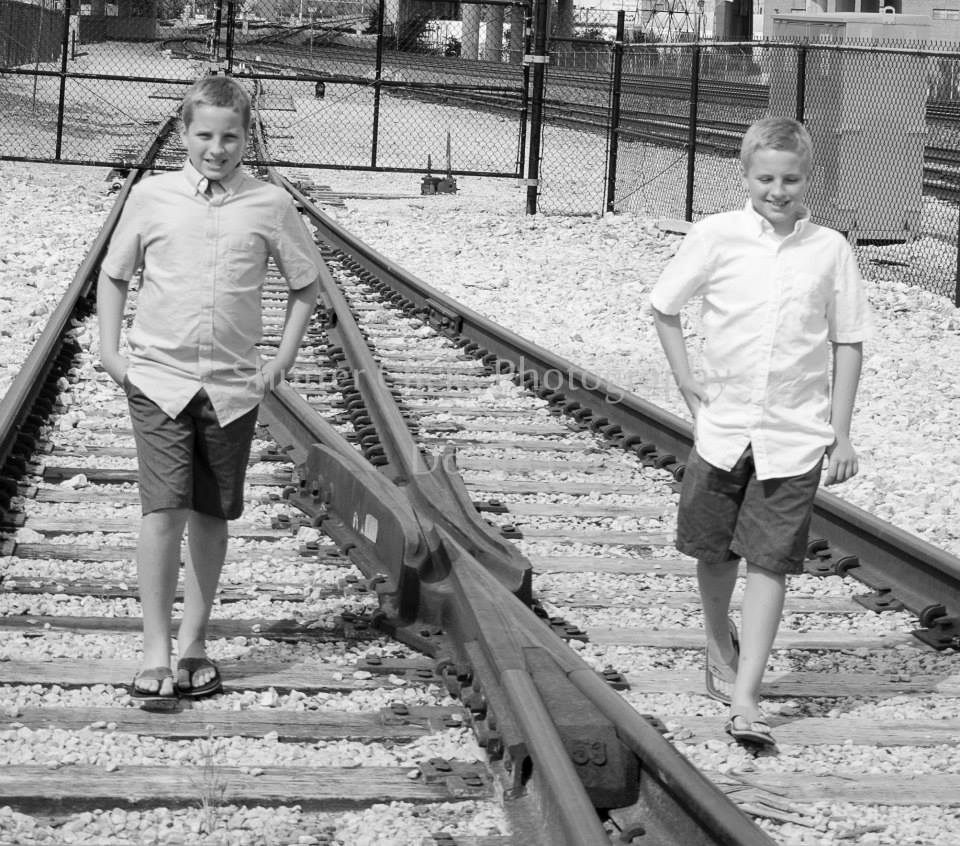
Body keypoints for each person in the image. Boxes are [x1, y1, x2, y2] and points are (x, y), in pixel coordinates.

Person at [97, 74, 325, 709]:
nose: (216, 149)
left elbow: (305, 283)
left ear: (247, 137)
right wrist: (111, 353)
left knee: (211, 514)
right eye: (203, 135)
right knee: (162, 511)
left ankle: (194, 643)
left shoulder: (269, 204)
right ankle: (155, 650)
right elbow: (115, 275)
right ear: (183, 133)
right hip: (158, 380)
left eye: (230, 138)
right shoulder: (152, 197)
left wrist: (282, 358)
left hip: (231, 387)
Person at [649, 116, 872, 747]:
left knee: (771, 562)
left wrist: (841, 432)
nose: (778, 191)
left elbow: (848, 341)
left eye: (791, 180)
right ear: (745, 175)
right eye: (766, 178)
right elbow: (665, 306)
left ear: (808, 179)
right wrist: (686, 380)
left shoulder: (830, 250)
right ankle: (719, 642)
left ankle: (747, 697)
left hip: (794, 436)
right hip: (722, 429)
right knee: (714, 552)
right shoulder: (715, 236)